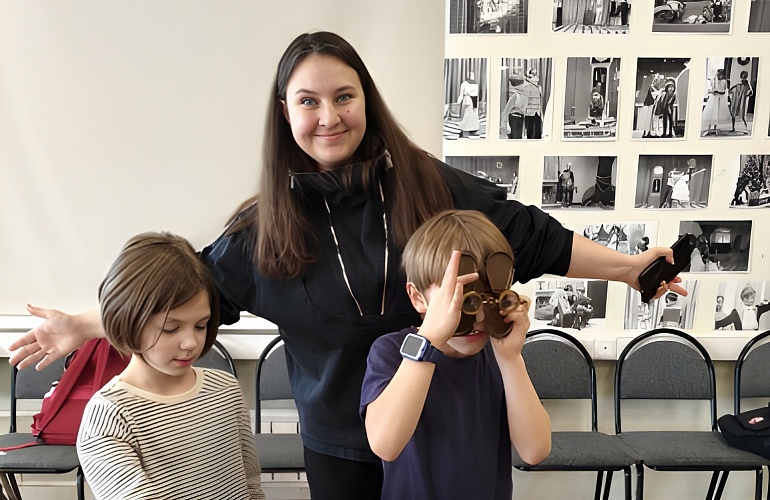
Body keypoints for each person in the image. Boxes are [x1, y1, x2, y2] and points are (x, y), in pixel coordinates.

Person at [9, 31, 683, 500]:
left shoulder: (428, 184)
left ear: (367, 100)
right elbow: (185, 294)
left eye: (344, 96)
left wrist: (629, 270)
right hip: (339, 446)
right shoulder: (263, 230)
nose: (328, 116)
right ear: (285, 113)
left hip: (440, 432)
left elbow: (533, 237)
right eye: (308, 100)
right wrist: (84, 324)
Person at [360, 210, 550, 499]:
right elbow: (385, 444)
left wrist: (511, 359)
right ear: (417, 297)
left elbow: (535, 450)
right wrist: (429, 341)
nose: (478, 318)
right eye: (461, 301)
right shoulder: (391, 352)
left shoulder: (500, 357)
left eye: (487, 300)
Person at [76, 232, 265, 500]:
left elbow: (251, 483)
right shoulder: (110, 415)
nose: (190, 342)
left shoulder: (226, 389)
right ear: (127, 321)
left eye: (201, 325)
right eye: (170, 328)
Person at [702, 68, 730, 136]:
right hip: (714, 98)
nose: (717, 76)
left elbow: (724, 91)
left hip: (720, 98)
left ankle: (716, 128)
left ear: (722, 75)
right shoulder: (714, 81)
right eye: (717, 75)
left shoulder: (724, 81)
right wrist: (713, 91)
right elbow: (713, 89)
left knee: (718, 114)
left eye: (718, 75)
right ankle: (708, 128)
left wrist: (718, 92)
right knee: (711, 112)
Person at [500, 72, 526, 139]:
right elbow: (506, 111)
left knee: (519, 138)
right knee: (514, 138)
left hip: (521, 118)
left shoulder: (524, 95)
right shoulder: (515, 96)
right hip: (514, 118)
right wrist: (505, 124)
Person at [457, 72, 480, 138]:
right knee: (469, 115)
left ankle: (465, 129)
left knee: (468, 116)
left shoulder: (465, 83)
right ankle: (469, 129)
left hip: (469, 100)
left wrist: (458, 101)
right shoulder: (475, 84)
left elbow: (461, 94)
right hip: (472, 101)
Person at [522, 69, 543, 139]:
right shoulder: (528, 87)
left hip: (537, 112)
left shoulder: (538, 87)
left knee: (537, 133)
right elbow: (525, 99)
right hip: (529, 113)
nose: (537, 76)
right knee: (530, 133)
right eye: (534, 74)